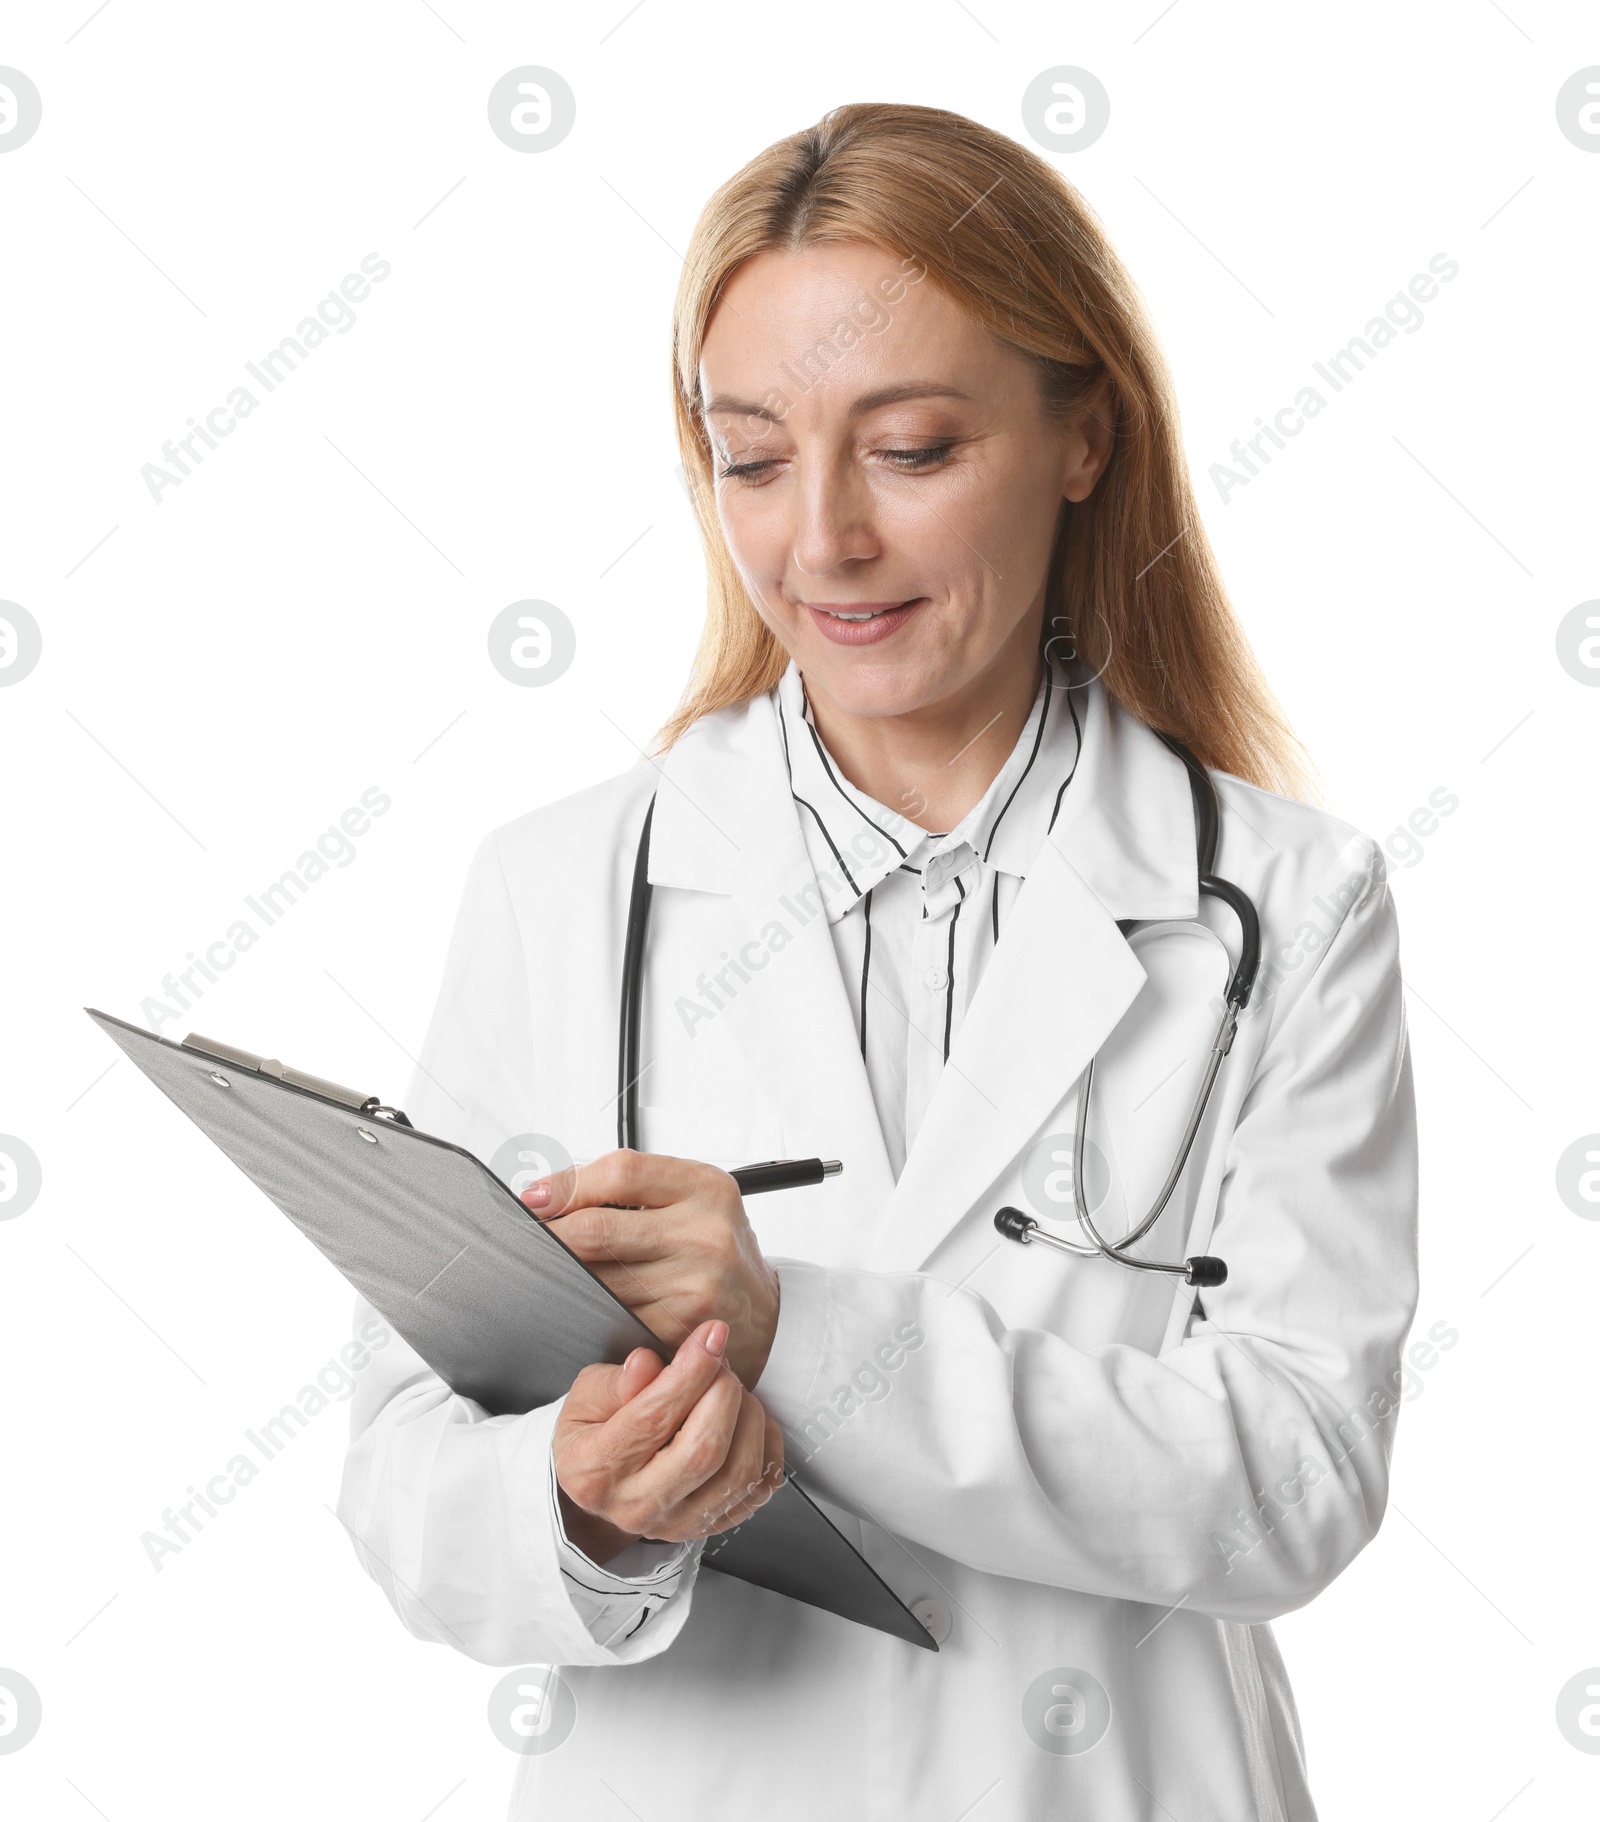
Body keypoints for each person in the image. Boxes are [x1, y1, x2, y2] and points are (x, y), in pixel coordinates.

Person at [339, 102, 1418, 1820]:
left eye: (910, 448)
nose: (821, 539)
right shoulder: (564, 889)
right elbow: (401, 1481)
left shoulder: (1289, 904)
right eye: (752, 456)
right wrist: (582, 1498)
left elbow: (1293, 1483)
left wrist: (798, 1331)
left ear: (1085, 439)